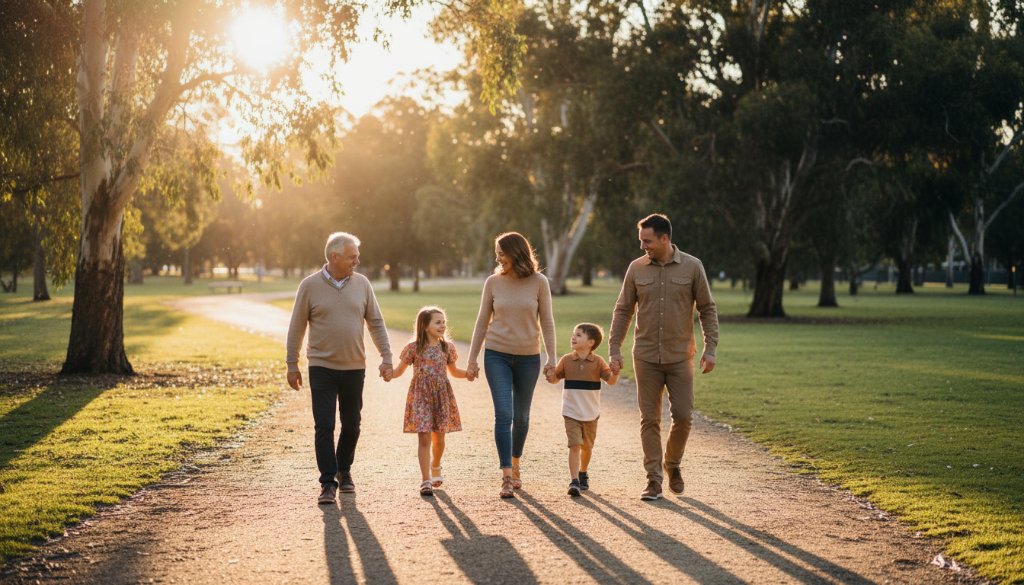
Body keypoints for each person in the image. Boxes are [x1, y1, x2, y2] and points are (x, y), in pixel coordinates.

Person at [608, 213, 719, 501]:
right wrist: (614, 347)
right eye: (641, 240)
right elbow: (623, 310)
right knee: (649, 419)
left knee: (683, 416)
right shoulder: (636, 269)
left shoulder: (693, 267)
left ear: (664, 238)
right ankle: (654, 480)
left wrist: (710, 348)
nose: (643, 246)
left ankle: (673, 463)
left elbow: (707, 309)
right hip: (645, 356)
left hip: (680, 356)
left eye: (648, 241)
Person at [286, 232, 393, 506]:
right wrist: (292, 364)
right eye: (352, 256)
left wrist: (386, 356)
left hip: (354, 367)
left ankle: (344, 469)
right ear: (334, 257)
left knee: (352, 424)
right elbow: (297, 326)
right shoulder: (309, 286)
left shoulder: (363, 284)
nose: (357, 261)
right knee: (324, 424)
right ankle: (327, 482)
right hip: (321, 366)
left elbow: (376, 323)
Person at [466, 232, 557, 499]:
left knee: (523, 417)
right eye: (497, 253)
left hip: (529, 357)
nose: (498, 258)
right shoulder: (493, 282)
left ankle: (516, 464)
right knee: (504, 414)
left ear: (516, 253)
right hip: (497, 355)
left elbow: (547, 322)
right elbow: (482, 321)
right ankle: (506, 476)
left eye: (502, 253)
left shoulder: (539, 282)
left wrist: (552, 357)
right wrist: (472, 358)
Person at [391, 306, 467, 497]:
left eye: (444, 322)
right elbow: (398, 371)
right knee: (424, 436)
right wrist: (388, 374)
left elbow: (455, 371)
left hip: (441, 395)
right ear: (425, 326)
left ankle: (436, 465)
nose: (443, 325)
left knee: (439, 438)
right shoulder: (413, 348)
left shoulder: (447, 347)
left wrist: (469, 374)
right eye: (438, 322)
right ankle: (425, 480)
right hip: (420, 396)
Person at [546, 323, 619, 497]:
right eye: (574, 334)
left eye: (579, 335)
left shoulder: (598, 362)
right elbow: (555, 379)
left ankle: (583, 472)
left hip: (591, 413)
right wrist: (550, 374)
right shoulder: (566, 360)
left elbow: (611, 381)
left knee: (587, 447)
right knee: (575, 445)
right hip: (570, 411)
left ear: (590, 342)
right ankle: (574, 481)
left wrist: (615, 372)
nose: (573, 337)